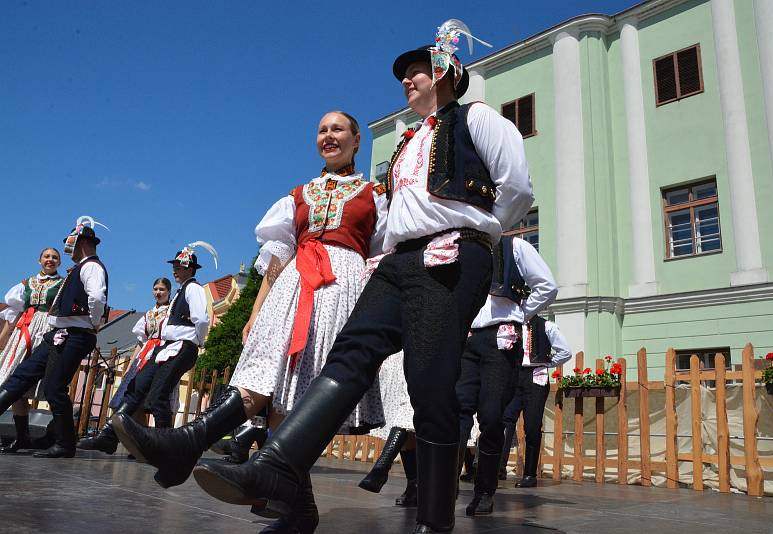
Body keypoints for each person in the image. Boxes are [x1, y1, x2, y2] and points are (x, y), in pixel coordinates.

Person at [141, 20, 532, 534]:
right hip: (398, 261)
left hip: (452, 254)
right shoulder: (407, 143)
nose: (406, 83)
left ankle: (434, 521)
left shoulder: (477, 119)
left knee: (430, 383)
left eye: (415, 73)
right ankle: (279, 467)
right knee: (351, 351)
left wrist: (472, 231)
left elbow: (517, 189)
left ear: (444, 73)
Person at [114, 110, 387, 534]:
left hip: (342, 286)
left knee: (301, 394)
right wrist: (257, 313)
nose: (328, 136)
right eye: (321, 130)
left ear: (356, 141)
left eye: (337, 130)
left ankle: (193, 448)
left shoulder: (375, 194)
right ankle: (286, 503)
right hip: (294, 285)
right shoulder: (296, 196)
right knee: (268, 380)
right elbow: (275, 263)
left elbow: (381, 255)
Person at [455, 234, 556, 516]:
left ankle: (485, 490)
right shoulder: (460, 245)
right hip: (466, 337)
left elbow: (547, 286)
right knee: (457, 411)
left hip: (501, 338)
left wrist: (519, 314)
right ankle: (446, 486)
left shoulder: (515, 246)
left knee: (490, 416)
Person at [0, 216, 109, 458]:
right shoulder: (79, 268)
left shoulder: (91, 266)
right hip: (57, 333)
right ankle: (58, 441)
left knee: (54, 388)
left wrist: (92, 322)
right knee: (20, 376)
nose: (66, 249)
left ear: (80, 242)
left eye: (69, 244)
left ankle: (65, 444)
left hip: (74, 334)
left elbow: (97, 298)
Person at [76, 277, 173, 454]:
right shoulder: (149, 314)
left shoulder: (171, 312)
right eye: (156, 289)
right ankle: (140, 446)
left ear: (169, 292)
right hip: (144, 355)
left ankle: (154, 445)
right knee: (133, 401)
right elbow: (140, 342)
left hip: (161, 354)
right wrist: (131, 364)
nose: (158, 292)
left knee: (150, 402)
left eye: (162, 289)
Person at [0, 248, 63, 453]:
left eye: (54, 257)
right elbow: (13, 315)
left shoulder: (63, 284)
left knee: (51, 384)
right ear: (39, 260)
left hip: (49, 331)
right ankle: (22, 436)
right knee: (15, 381)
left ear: (59, 262)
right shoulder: (26, 284)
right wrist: (3, 341)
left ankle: (57, 435)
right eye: (47, 256)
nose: (50, 260)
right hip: (25, 330)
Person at [498, 315, 572, 488]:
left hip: (535, 376)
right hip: (515, 376)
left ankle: (530, 474)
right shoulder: (509, 325)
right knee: (505, 419)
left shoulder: (546, 326)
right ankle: (499, 467)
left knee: (532, 426)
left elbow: (565, 351)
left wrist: (546, 362)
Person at [357, 351, 417, 507]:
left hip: (428, 345)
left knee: (408, 409)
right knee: (402, 416)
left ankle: (381, 467)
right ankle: (414, 486)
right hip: (403, 351)